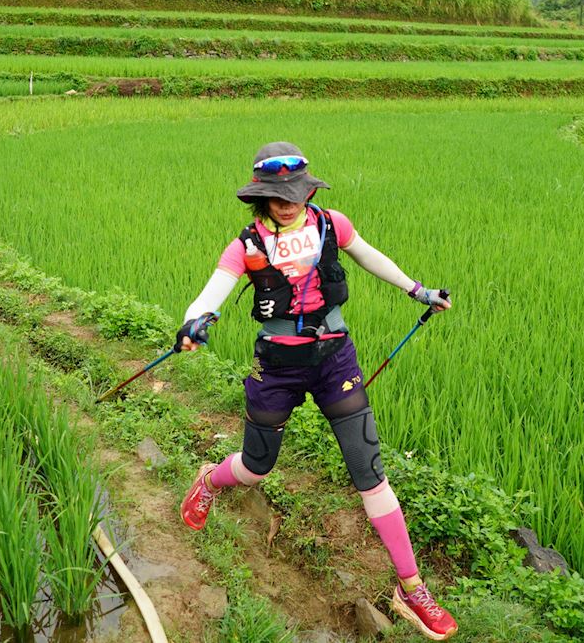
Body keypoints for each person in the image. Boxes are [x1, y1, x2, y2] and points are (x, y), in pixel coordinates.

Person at [174, 141, 458, 641]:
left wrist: (420, 291)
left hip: (334, 360)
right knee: (257, 467)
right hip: (278, 365)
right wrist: (194, 322)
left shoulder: (331, 224)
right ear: (260, 196)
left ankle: (410, 587)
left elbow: (372, 258)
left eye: (296, 192)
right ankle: (210, 482)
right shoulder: (246, 245)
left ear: (308, 189)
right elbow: (213, 290)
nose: (288, 202)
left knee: (368, 469)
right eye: (277, 194)